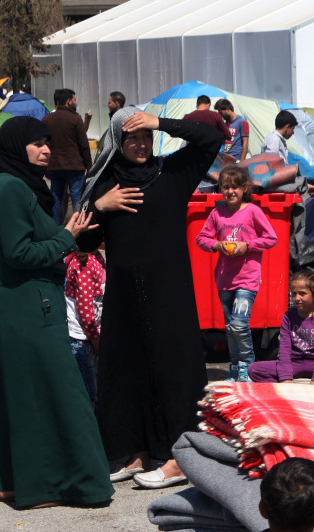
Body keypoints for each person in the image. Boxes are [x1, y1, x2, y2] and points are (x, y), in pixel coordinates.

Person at [0, 116, 113, 509]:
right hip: (28, 306)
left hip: (24, 303)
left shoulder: (10, 183)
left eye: (47, 142)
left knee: (19, 397)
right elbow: (19, 253)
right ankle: (53, 486)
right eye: (37, 143)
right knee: (56, 398)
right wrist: (66, 237)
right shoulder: (11, 187)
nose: (46, 149)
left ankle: (9, 481)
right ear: (17, 146)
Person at [78, 106, 225, 490]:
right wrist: (99, 206)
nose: (141, 144)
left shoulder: (172, 172)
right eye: (132, 138)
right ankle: (136, 452)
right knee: (127, 369)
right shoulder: (107, 181)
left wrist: (159, 122)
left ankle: (179, 457)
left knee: (175, 370)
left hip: (169, 292)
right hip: (125, 294)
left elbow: (211, 138)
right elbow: (86, 238)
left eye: (145, 137)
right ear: (117, 142)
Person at [196, 165, 279, 380]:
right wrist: (216, 245)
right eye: (225, 187)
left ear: (244, 188)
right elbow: (201, 239)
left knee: (240, 324)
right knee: (230, 327)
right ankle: (235, 367)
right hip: (224, 280)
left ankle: (248, 367)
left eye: (234, 187)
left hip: (247, 279)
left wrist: (247, 246)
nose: (230, 191)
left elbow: (271, 238)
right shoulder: (217, 213)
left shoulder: (253, 211)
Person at [248, 269, 314, 385]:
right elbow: (284, 350)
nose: (297, 298)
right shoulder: (288, 317)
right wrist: (285, 378)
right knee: (254, 369)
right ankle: (290, 388)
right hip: (295, 363)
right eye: (294, 294)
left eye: (302, 293)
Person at [43, 88, 93, 223]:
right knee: (77, 198)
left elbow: (44, 145)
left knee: (56, 198)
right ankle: (78, 227)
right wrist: (90, 167)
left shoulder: (47, 119)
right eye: (75, 100)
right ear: (69, 101)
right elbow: (84, 145)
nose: (76, 103)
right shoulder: (75, 119)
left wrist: (45, 167)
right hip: (75, 166)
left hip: (55, 166)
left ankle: (55, 228)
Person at [64, 248, 105, 409]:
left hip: (91, 338)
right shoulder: (84, 264)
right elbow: (85, 310)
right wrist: (96, 342)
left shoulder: (96, 259)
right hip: (83, 340)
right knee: (88, 396)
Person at [215, 98, 250, 163]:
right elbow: (224, 142)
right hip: (226, 158)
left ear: (227, 109)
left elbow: (245, 142)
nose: (220, 115)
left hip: (237, 159)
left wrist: (242, 161)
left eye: (221, 112)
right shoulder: (225, 124)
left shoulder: (242, 122)